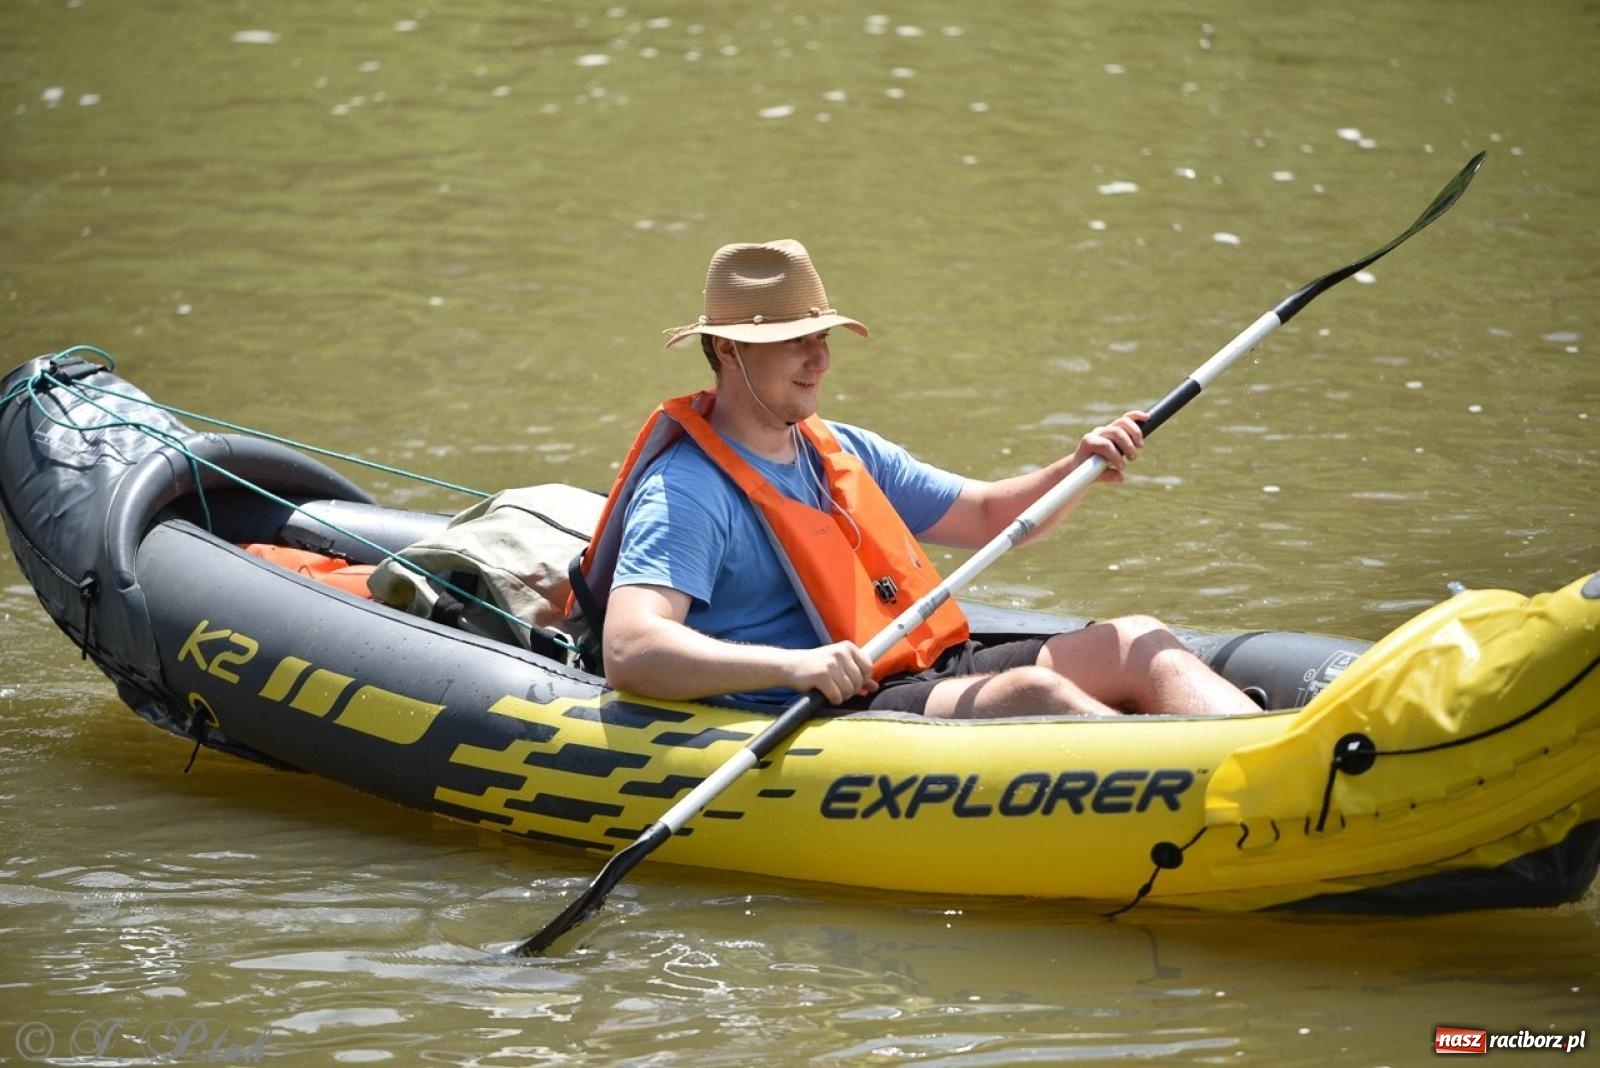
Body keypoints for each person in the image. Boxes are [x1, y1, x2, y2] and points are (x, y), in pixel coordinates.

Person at [574, 239, 1261, 719]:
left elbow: (987, 516)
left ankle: (1261, 760)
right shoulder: (687, 492)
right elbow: (632, 650)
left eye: (823, 338)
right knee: (1033, 696)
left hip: (918, 666)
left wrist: (1076, 468)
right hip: (828, 706)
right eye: (796, 341)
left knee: (1135, 642)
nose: (820, 360)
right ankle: (1196, 792)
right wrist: (792, 666)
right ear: (729, 350)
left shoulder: (840, 450)